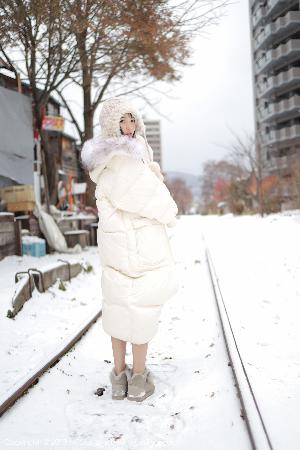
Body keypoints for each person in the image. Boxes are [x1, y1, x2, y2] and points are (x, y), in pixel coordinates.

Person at [81, 97, 179, 402]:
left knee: (118, 307)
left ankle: (118, 376)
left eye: (132, 120)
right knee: (140, 309)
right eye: (122, 121)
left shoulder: (104, 164)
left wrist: (151, 172)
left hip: (114, 245)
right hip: (140, 245)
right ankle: (137, 378)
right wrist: (169, 208)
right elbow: (153, 201)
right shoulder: (124, 159)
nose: (129, 127)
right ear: (112, 125)